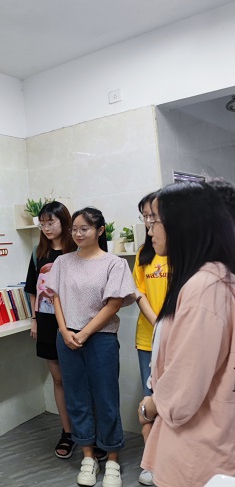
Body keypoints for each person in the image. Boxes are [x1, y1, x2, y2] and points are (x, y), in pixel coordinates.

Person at [139, 182, 235, 487]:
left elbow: (185, 388)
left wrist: (149, 406)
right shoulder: (210, 277)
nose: (149, 230)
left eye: (155, 219)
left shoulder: (205, 286)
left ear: (183, 222)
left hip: (199, 446)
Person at [46, 207, 136, 487]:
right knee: (77, 397)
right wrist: (64, 330)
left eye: (84, 229)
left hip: (100, 339)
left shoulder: (114, 264)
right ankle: (88, 456)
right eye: (74, 229)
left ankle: (112, 459)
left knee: (106, 398)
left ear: (100, 231)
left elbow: (114, 304)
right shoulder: (63, 262)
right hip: (67, 338)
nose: (77, 233)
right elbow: (56, 297)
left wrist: (84, 333)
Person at [24, 201, 77, 459]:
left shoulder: (76, 250)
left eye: (51, 222)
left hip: (74, 321)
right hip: (46, 322)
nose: (46, 228)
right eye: (42, 223)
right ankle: (67, 432)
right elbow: (32, 289)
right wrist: (34, 320)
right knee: (58, 380)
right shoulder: (39, 253)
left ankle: (90, 431)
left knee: (79, 379)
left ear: (64, 222)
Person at [132, 192, 167, 486]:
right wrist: (158, 324)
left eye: (153, 215)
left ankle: (171, 460)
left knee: (171, 401)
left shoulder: (181, 251)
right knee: (149, 400)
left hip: (176, 337)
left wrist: (168, 328)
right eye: (145, 216)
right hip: (148, 338)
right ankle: (152, 463)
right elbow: (138, 293)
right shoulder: (144, 253)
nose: (148, 222)